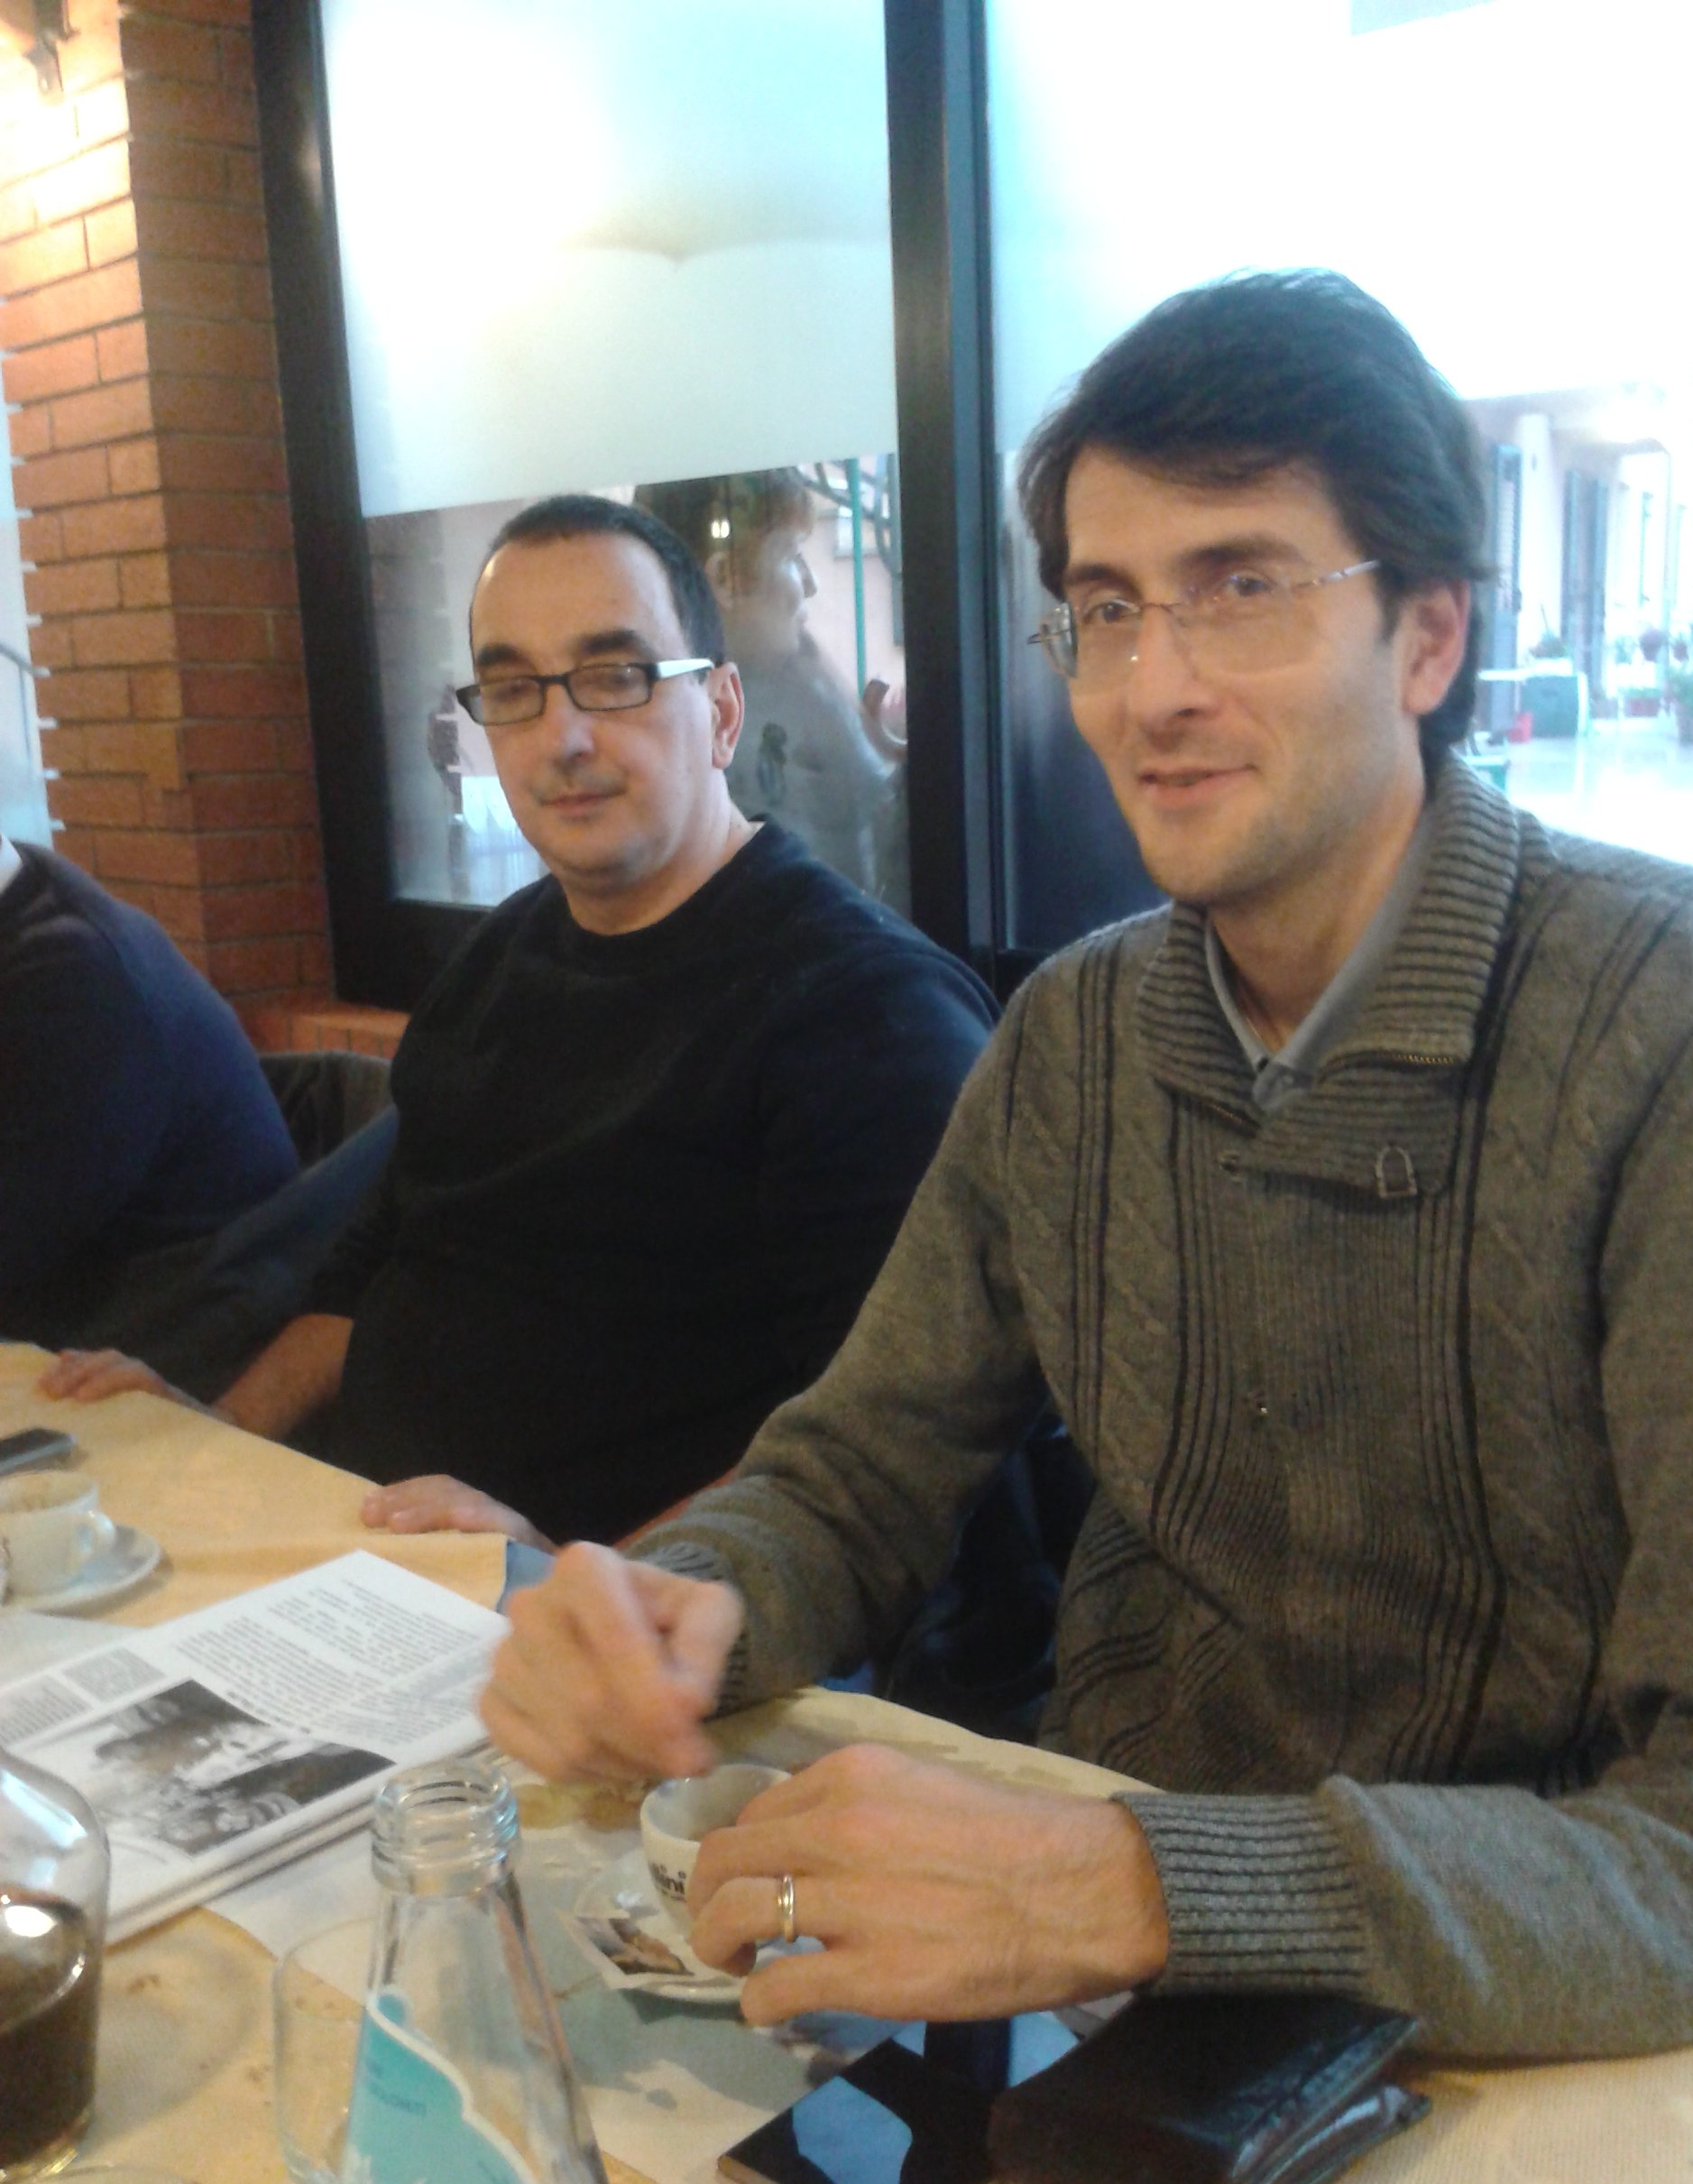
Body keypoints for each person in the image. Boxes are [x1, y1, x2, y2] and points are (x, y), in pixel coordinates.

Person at [479, 273, 1693, 2062]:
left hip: (1519, 2055)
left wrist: (1141, 1881)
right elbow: (858, 1470)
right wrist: (686, 1605)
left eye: (1243, 588)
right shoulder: (1075, 1034)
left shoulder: (1678, 1037)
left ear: (1431, 636)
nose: (1155, 690)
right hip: (1088, 1989)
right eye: (1107, 609)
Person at [45, 497, 994, 1547]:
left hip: (620, 1615)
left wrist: (579, 1575)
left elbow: (881, 1451)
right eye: (512, 690)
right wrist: (217, 1432)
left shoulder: (867, 1015)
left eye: (616, 676)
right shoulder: (498, 957)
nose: (562, 737)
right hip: (364, 1563)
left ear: (723, 712)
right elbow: (374, 1264)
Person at [0, 834, 301, 1388]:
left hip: (173, 1343)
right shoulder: (25, 900)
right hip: (72, 1320)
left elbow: (16, 1245)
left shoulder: (70, 977)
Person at [634, 470, 908, 912]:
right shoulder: (729, 722)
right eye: (792, 555)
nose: (811, 583)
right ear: (727, 578)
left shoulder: (800, 681)